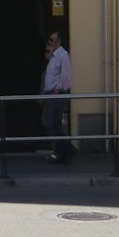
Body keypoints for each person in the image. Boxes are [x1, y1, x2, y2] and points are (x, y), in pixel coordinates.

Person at [43, 31, 75, 162]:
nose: (49, 42)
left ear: (58, 41)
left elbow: (67, 76)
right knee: (47, 122)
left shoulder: (63, 55)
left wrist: (58, 90)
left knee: (52, 123)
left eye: (51, 39)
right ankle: (65, 150)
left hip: (57, 94)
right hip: (50, 93)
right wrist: (49, 53)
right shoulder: (54, 56)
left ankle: (63, 151)